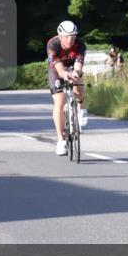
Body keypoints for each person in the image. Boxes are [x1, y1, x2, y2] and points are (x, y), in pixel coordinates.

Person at [47, 21, 88, 155]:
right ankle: (61, 140)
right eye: (66, 37)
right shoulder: (53, 44)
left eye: (73, 36)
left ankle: (81, 109)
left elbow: (78, 64)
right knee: (59, 102)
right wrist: (64, 74)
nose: (70, 40)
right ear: (60, 36)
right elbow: (58, 67)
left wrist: (76, 73)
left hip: (71, 66)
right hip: (56, 70)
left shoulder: (80, 44)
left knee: (78, 84)